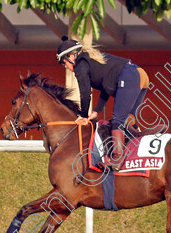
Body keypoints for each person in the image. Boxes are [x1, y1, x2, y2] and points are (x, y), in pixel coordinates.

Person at [55, 37, 148, 171]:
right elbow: (107, 87)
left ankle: (117, 158)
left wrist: (83, 115)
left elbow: (85, 93)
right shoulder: (89, 60)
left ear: (71, 56)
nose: (66, 67)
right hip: (140, 74)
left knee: (117, 121)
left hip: (130, 76)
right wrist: (96, 111)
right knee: (129, 120)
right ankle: (141, 144)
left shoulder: (80, 66)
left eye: (64, 62)